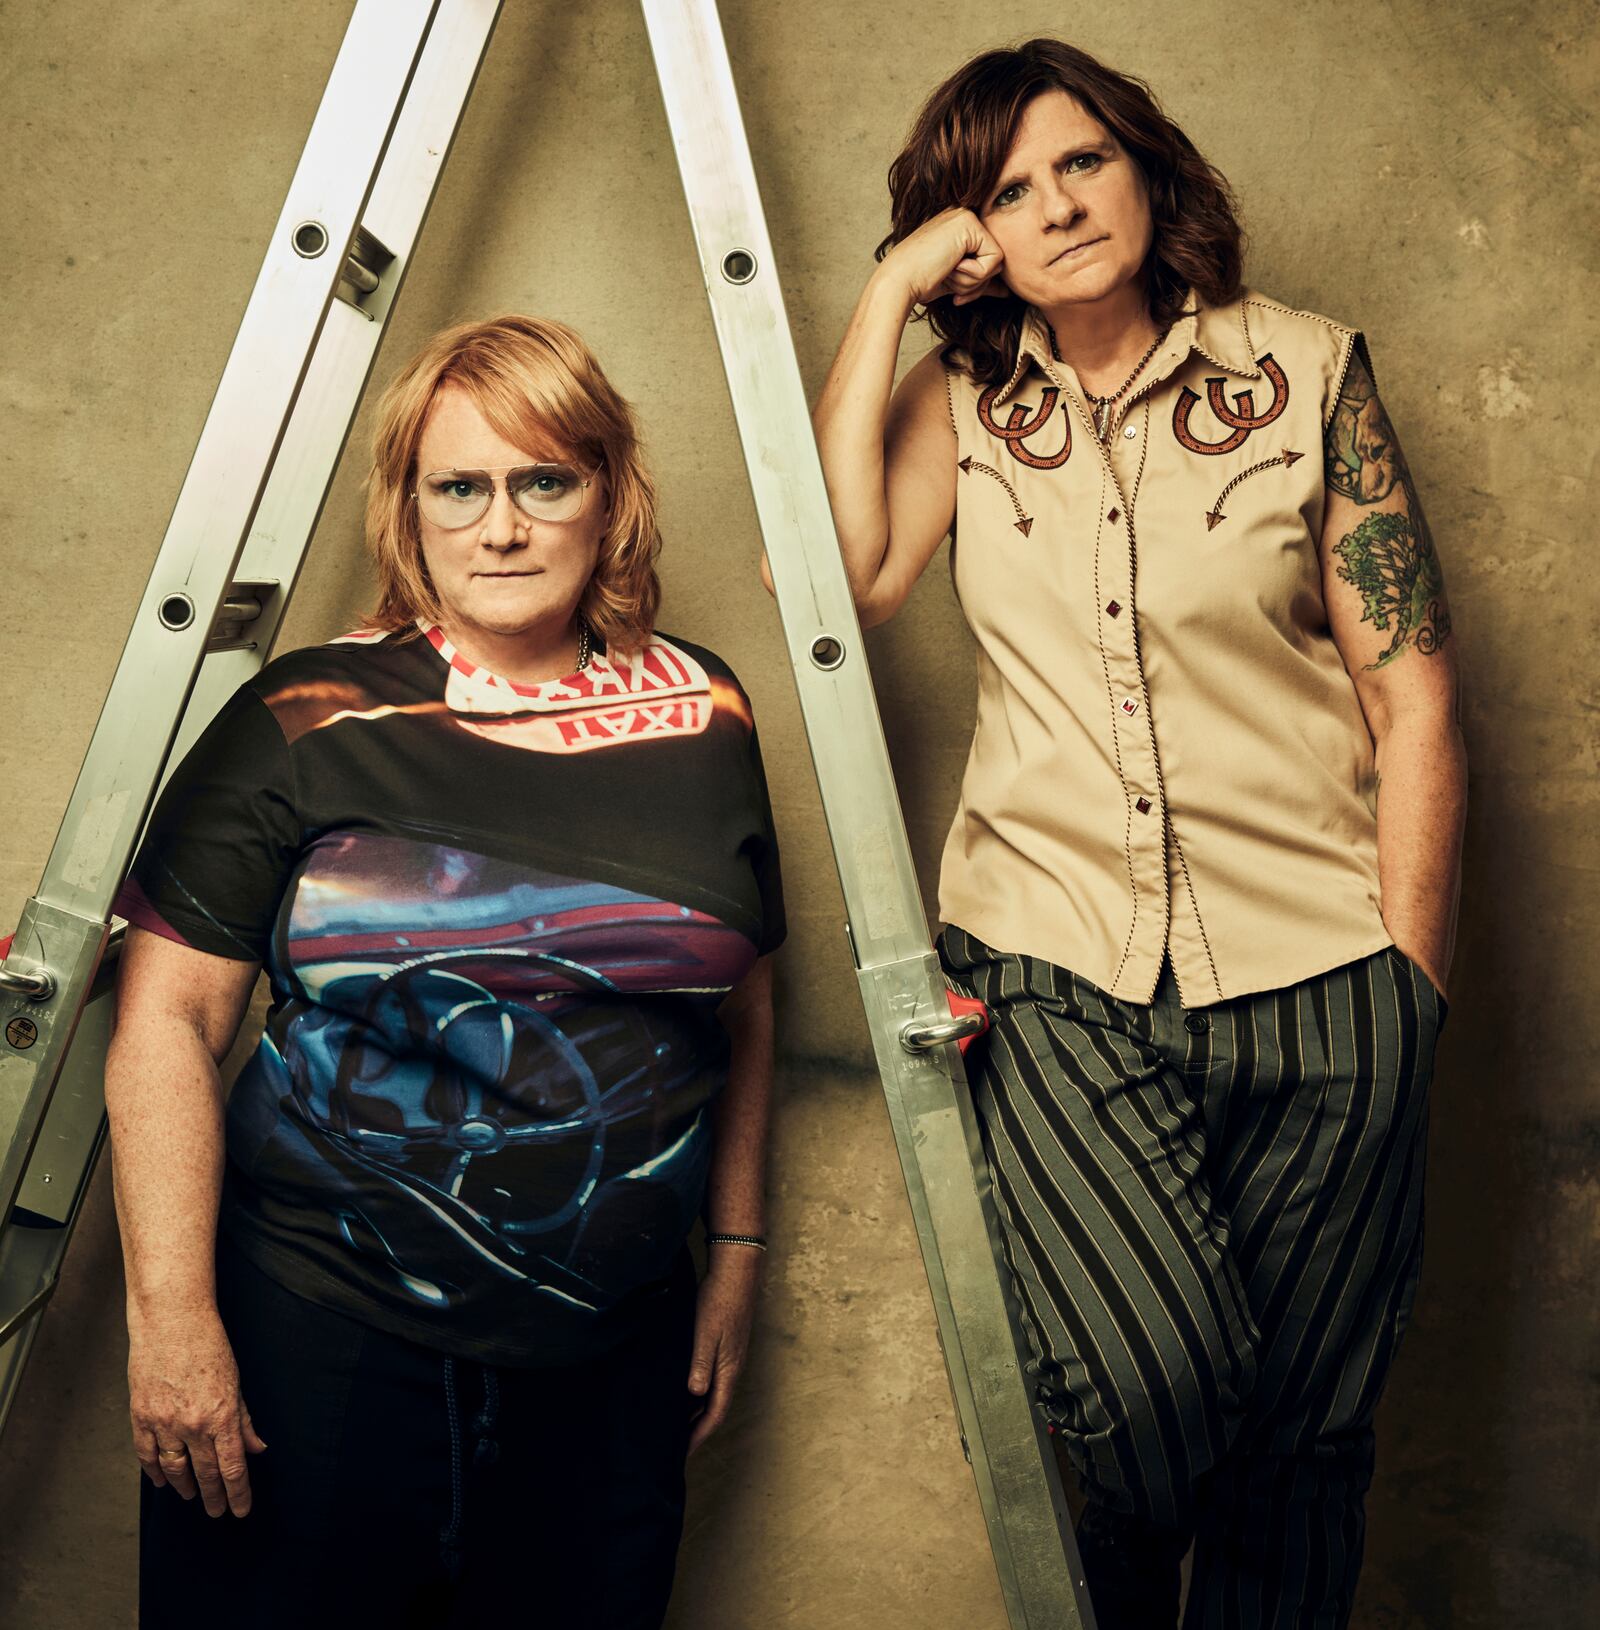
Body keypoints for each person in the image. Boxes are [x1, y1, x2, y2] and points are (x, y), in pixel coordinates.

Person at [807, 38, 1463, 1630]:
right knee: (1150, 1382)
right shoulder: (968, 397)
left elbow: (1418, 695)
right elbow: (846, 576)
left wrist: (1413, 985)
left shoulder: (1303, 372)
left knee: (1303, 1451)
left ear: (1146, 165)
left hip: (1328, 977)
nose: (1057, 205)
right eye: (1006, 191)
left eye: (1080, 160)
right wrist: (893, 293)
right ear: (974, 236)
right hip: (1055, 975)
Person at [107, 314, 785, 1629]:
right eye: (459, 487)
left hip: (608, 1378)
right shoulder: (307, 717)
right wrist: (174, 1320)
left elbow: (743, 999)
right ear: (407, 512)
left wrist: (740, 1253)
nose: (503, 526)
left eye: (546, 481)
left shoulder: (708, 711)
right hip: (316, 1347)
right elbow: (168, 1021)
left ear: (610, 498)